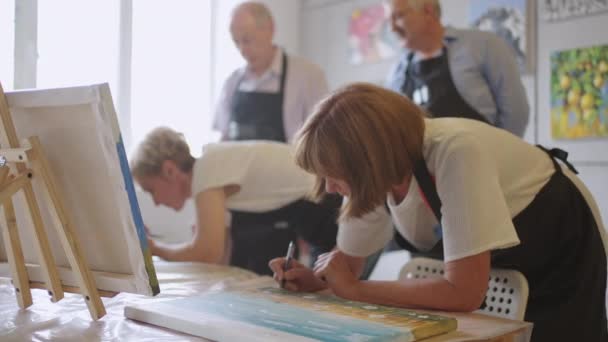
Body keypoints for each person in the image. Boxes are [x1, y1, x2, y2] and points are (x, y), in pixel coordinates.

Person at [269, 83, 607, 341]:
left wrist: (354, 289)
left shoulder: (455, 153)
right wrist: (316, 282)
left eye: (334, 174)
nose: (328, 188)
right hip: (497, 265)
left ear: (367, 161)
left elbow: (463, 291)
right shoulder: (375, 175)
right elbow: (349, 266)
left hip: (562, 246)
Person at [130, 127, 339, 276]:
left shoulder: (207, 169)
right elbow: (221, 257)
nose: (156, 202)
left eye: (151, 190)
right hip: (321, 208)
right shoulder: (217, 170)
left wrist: (156, 249)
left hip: (332, 205)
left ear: (169, 170)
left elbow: (208, 253)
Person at [386, 0, 529, 137]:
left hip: (484, 158)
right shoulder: (397, 72)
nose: (392, 28)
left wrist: (501, 156)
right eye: (389, 20)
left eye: (398, 16)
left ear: (428, 11)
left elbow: (516, 112)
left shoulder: (485, 45)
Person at [213, 1, 329, 143]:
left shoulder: (309, 76)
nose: (242, 50)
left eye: (247, 40)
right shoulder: (232, 82)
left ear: (270, 30)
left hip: (288, 165)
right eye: (236, 42)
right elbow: (223, 138)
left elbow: (322, 140)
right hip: (239, 165)